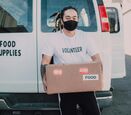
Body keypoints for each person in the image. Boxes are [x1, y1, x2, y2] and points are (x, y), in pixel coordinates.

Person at [41, 6, 102, 115]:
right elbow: (45, 61)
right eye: (68, 17)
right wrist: (44, 78)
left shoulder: (85, 36)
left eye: (74, 18)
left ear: (78, 19)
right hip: (64, 83)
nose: (71, 20)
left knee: (93, 112)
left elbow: (97, 59)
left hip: (84, 81)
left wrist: (99, 77)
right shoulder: (53, 38)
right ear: (62, 19)